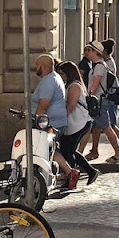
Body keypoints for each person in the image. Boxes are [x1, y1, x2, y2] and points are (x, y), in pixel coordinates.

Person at [31, 53, 79, 187]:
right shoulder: (54, 77)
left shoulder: (49, 82)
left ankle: (66, 173)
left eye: (37, 64)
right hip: (55, 122)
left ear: (43, 66)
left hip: (50, 123)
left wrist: (35, 122)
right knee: (52, 150)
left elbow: (43, 105)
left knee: (45, 149)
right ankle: (68, 173)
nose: (35, 67)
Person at [57, 61, 100, 186]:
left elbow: (71, 105)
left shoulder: (74, 86)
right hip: (77, 122)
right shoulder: (71, 85)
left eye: (62, 73)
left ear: (68, 73)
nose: (61, 76)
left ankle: (75, 176)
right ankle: (82, 173)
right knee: (68, 150)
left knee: (68, 150)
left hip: (79, 122)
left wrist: (62, 119)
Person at [83, 40, 119, 163]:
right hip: (98, 101)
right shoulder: (98, 65)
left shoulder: (99, 66)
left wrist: (88, 95)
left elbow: (95, 84)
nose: (87, 53)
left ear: (95, 52)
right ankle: (87, 152)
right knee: (92, 127)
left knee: (107, 128)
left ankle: (118, 153)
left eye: (89, 50)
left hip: (98, 102)